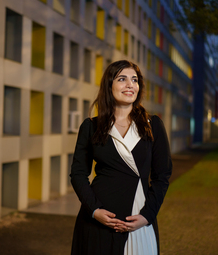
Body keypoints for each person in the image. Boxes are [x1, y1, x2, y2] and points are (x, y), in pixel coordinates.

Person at [70, 60, 172, 255]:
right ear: (109, 86)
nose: (130, 85)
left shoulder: (153, 125)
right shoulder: (91, 126)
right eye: (122, 79)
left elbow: (162, 175)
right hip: (98, 221)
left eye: (134, 80)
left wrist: (147, 215)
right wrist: (94, 210)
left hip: (139, 219)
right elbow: (78, 173)